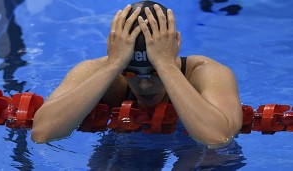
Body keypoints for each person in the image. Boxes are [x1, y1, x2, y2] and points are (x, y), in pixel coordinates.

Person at [31, 1, 242, 149]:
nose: (145, 85)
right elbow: (42, 133)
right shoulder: (101, 72)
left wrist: (166, 65)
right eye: (131, 73)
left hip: (192, 153)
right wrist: (113, 65)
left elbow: (218, 138)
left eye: (154, 72)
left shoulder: (204, 72)